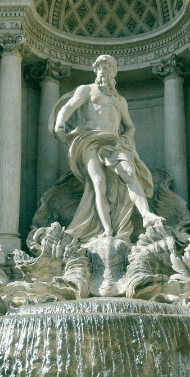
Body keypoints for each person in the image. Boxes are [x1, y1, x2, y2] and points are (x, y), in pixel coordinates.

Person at [50, 55, 162, 243]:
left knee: (130, 174)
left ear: (113, 73)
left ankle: (147, 216)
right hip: (89, 141)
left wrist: (126, 140)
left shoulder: (120, 101)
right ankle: (107, 230)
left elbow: (130, 126)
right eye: (100, 68)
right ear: (96, 71)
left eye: (108, 68)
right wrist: (60, 121)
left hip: (113, 143)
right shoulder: (87, 90)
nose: (104, 71)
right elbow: (69, 106)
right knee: (99, 183)